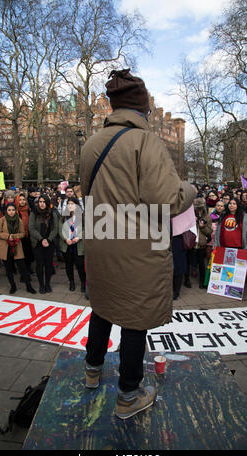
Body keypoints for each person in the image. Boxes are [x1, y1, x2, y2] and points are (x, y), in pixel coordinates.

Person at [80, 69, 196, 420]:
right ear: (143, 108)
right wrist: (189, 189)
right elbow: (168, 199)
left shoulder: (90, 144)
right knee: (134, 315)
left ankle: (92, 368)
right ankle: (129, 395)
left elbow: (89, 194)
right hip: (138, 244)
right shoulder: (146, 142)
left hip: (101, 239)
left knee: (102, 304)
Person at [0, 203, 36, 295]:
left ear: (15, 210)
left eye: (13, 210)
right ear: (6, 211)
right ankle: (13, 286)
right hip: (5, 247)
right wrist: (8, 236)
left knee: (23, 268)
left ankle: (29, 286)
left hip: (17, 246)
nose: (11, 212)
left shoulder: (19, 220)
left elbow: (22, 233)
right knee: (9, 269)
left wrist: (14, 236)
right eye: (9, 210)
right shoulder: (1, 220)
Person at [29, 194, 58, 294]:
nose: (42, 204)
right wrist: (41, 239)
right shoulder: (34, 213)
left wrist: (49, 240)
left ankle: (47, 284)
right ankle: (41, 285)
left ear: (47, 203)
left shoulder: (52, 214)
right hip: (38, 242)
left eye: (44, 202)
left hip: (49, 242)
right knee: (39, 264)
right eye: (40, 202)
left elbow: (55, 229)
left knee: (48, 264)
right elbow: (31, 228)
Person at [59, 196, 86, 292]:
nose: (70, 206)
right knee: (68, 265)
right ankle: (71, 282)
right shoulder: (64, 216)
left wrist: (78, 237)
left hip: (78, 245)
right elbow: (60, 229)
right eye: (69, 204)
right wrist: (66, 239)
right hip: (67, 245)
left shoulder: (82, 216)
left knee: (80, 265)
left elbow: (85, 230)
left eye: (72, 204)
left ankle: (83, 282)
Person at [184, 197, 212, 289]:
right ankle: (186, 280)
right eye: (197, 209)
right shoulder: (190, 216)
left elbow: (209, 231)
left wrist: (202, 226)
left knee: (201, 264)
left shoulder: (207, 217)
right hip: (191, 244)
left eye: (200, 208)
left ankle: (202, 282)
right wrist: (192, 221)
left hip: (201, 244)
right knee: (188, 263)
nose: (198, 211)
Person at [15, 192, 34, 276]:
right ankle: (23, 272)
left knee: (28, 253)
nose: (22, 202)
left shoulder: (29, 211)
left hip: (29, 236)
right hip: (20, 237)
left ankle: (28, 268)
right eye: (20, 200)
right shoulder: (15, 212)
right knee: (21, 255)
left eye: (23, 200)